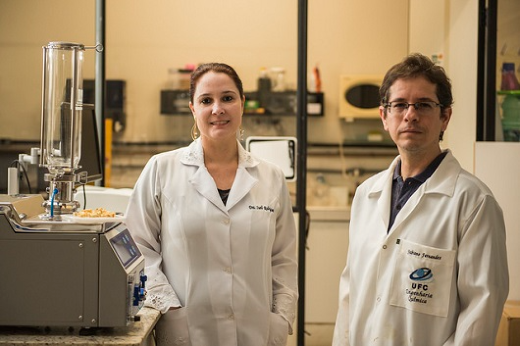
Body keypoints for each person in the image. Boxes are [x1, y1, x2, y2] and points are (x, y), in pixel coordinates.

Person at [332, 53, 509, 346]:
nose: (410, 115)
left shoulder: (473, 202)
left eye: (423, 105)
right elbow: (350, 291)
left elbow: (481, 311)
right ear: (384, 117)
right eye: (400, 105)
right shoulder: (366, 194)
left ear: (445, 117)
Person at [125, 63, 298, 346]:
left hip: (256, 331)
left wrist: (280, 317)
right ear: (193, 109)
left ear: (242, 104)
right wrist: (168, 306)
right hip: (188, 331)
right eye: (206, 100)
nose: (217, 108)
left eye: (228, 98)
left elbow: (284, 260)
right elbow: (137, 248)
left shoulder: (271, 177)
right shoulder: (162, 169)